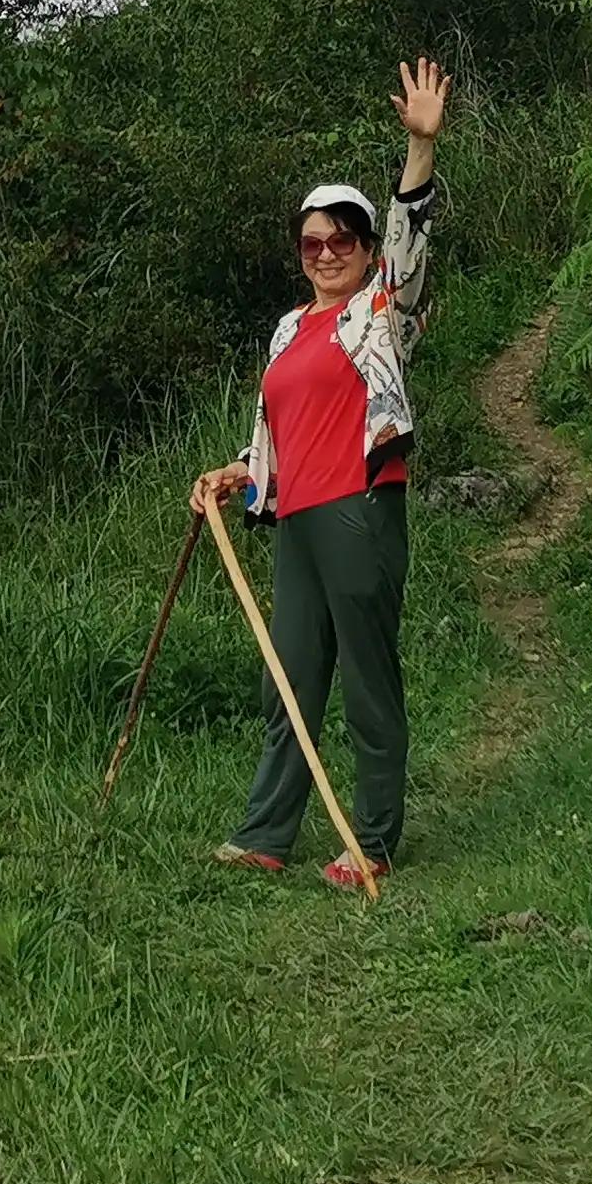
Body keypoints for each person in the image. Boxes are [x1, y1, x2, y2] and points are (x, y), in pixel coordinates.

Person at [193, 55, 449, 889]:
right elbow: (277, 430)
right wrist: (238, 472)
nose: (326, 251)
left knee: (367, 682)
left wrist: (419, 151)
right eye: (312, 242)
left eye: (343, 238)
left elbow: (412, 245)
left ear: (365, 247)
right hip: (297, 520)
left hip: (359, 511)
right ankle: (267, 832)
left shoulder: (382, 312)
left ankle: (371, 839)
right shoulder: (286, 329)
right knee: (290, 680)